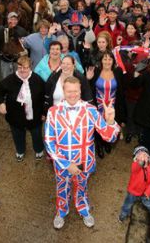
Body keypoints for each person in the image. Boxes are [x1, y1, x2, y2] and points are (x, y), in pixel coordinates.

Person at [44, 76, 120, 229]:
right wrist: (66, 164)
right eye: (69, 91)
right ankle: (61, 211)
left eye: (76, 91)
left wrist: (110, 121)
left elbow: (109, 137)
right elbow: (49, 141)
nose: (72, 94)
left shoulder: (90, 110)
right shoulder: (53, 112)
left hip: (84, 162)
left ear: (81, 91)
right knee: (62, 188)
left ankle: (83, 209)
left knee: (81, 188)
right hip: (62, 163)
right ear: (63, 92)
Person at [0, 56, 45, 162]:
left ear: (30, 67)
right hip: (15, 116)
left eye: (25, 67)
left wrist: (44, 112)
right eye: (20, 67)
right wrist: (0, 103)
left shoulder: (37, 79)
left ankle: (39, 150)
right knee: (18, 135)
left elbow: (44, 97)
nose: (22, 70)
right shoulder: (10, 80)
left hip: (35, 115)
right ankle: (20, 150)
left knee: (36, 134)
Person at [87, 51, 127, 158]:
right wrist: (88, 79)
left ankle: (107, 142)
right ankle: (99, 144)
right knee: (98, 125)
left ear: (113, 61)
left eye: (110, 59)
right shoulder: (95, 71)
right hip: (98, 105)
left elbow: (122, 90)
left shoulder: (118, 71)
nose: (107, 61)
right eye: (105, 59)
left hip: (113, 105)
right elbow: (88, 88)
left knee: (109, 124)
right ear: (101, 61)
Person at [118, 146, 150, 223]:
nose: (143, 156)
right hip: (133, 192)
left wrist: (148, 192)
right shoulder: (135, 167)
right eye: (140, 155)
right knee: (127, 204)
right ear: (136, 159)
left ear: (149, 157)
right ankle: (123, 214)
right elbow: (135, 168)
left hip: (145, 194)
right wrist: (140, 163)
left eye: (145, 154)